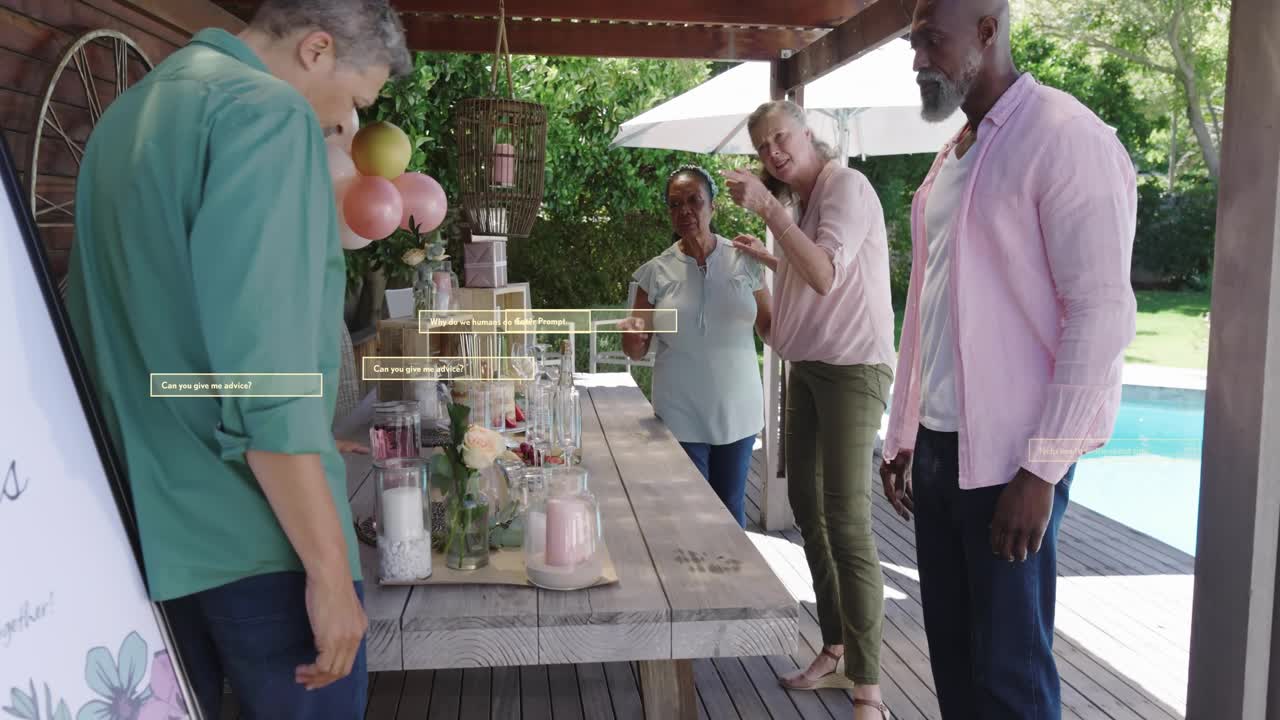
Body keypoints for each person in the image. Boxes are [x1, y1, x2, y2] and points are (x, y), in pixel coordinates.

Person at [63, 1, 411, 717]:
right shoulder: (265, 113)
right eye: (352, 102)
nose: (345, 127)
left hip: (147, 531)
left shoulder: (126, 117)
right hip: (260, 536)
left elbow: (130, 327)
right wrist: (325, 567)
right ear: (316, 49)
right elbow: (264, 372)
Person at [878, 0, 1137, 717]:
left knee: (1009, 678)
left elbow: (1101, 312)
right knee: (958, 669)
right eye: (914, 41)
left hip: (1010, 463)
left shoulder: (1065, 138)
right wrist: (905, 433)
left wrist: (1041, 468)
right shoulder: (956, 152)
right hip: (939, 449)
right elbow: (928, 310)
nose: (917, 58)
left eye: (932, 40)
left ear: (989, 32)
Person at [724, 102, 896, 719]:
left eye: (780, 137)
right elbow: (810, 269)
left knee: (848, 519)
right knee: (804, 504)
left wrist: (768, 212)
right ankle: (835, 644)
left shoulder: (845, 185)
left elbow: (824, 275)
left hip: (853, 367)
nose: (773, 151)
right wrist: (768, 253)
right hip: (810, 364)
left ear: (806, 132)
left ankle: (868, 687)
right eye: (763, 144)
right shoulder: (801, 204)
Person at [619, 165, 772, 528]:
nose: (684, 210)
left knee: (731, 514)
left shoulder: (745, 259)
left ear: (712, 206)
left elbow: (770, 328)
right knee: (689, 518)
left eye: (694, 200)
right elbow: (636, 350)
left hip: (738, 409)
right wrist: (631, 336)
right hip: (680, 413)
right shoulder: (654, 272)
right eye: (675, 204)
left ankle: (735, 586)